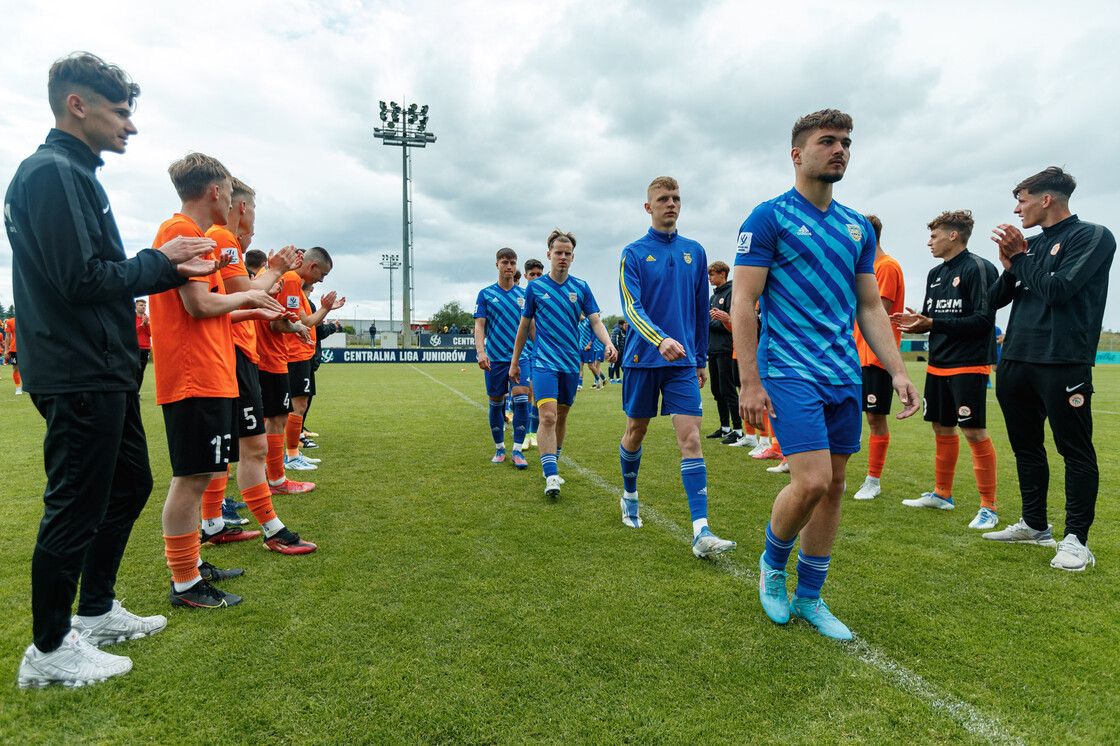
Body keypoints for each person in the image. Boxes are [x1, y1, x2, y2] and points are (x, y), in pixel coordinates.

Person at [6, 52, 223, 687]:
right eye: (120, 111)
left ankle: (95, 612)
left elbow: (89, 272)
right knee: (75, 502)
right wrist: (163, 262)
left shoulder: (73, 172)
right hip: (77, 370)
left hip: (102, 367)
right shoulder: (51, 172)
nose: (130, 125)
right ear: (78, 104)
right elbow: (81, 280)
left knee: (127, 485)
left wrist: (154, 262)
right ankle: (48, 651)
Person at [733, 109, 920, 640]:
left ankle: (811, 596)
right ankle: (772, 567)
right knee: (811, 480)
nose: (839, 149)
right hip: (788, 369)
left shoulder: (856, 226)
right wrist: (750, 380)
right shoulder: (768, 218)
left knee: (835, 486)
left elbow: (870, 308)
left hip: (843, 374)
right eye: (827, 141)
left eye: (846, 142)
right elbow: (744, 301)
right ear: (797, 154)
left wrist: (899, 371)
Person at [150, 152, 287, 610]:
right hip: (194, 373)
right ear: (216, 191)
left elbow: (212, 305)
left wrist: (251, 309)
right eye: (229, 190)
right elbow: (199, 307)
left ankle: (191, 569)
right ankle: (185, 584)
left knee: (203, 472)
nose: (233, 199)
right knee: (190, 478)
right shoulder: (181, 232)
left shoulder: (186, 233)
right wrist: (252, 299)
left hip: (207, 371)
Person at [986, 167, 1117, 571]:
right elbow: (993, 301)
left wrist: (1022, 258)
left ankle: (1076, 540)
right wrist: (1011, 264)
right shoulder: (1031, 246)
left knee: (1074, 450)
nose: (1016, 208)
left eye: (1022, 199)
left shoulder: (1093, 235)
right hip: (1016, 360)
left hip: (1063, 360)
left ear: (1046, 199)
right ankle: (1035, 525)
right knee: (1026, 447)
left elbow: (1059, 291)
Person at [618, 176, 736, 558]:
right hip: (642, 358)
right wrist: (659, 338)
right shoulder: (633, 253)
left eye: (676, 198)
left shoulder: (695, 252)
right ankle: (630, 494)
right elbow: (631, 306)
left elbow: (702, 309)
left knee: (691, 439)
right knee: (636, 432)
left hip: (682, 362)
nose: (671, 204)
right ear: (648, 207)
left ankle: (701, 531)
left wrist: (699, 357)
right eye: (663, 199)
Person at [201, 177, 318, 554]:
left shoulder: (220, 240)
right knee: (242, 448)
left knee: (233, 448)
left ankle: (215, 523)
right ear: (240, 207)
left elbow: (235, 302)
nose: (253, 215)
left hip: (240, 353)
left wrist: (263, 305)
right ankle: (268, 528)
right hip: (235, 355)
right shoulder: (222, 238)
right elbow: (237, 297)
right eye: (252, 206)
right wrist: (272, 272)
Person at [892, 210, 1000, 529]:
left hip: (968, 363)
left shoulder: (979, 267)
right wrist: (917, 324)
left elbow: (983, 320)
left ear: (953, 236)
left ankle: (988, 507)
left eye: (934, 236)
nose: (929, 242)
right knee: (941, 427)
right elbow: (931, 316)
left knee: (973, 431)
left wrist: (933, 322)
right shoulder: (934, 274)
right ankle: (942, 494)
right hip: (938, 364)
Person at [510, 231, 616, 496]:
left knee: (562, 416)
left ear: (572, 257)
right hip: (544, 362)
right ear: (549, 255)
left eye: (567, 253)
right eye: (558, 252)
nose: (563, 257)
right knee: (548, 415)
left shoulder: (580, 287)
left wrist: (608, 343)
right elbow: (524, 327)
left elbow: (595, 321)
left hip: (570, 364)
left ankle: (552, 462)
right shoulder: (536, 288)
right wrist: (515, 363)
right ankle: (551, 476)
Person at [850, 215, 906, 500]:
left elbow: (876, 312)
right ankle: (839, 476)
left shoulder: (885, 267)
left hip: (876, 357)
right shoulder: (866, 268)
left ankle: (873, 479)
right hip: (855, 355)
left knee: (875, 420)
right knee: (845, 416)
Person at [279, 248, 345, 472]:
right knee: (293, 407)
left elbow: (306, 320)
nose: (322, 279)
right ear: (312, 266)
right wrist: (325, 308)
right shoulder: (290, 279)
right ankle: (289, 456)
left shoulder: (295, 285)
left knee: (300, 405)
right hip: (293, 354)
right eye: (322, 274)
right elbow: (301, 323)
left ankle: (292, 453)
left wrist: (325, 309)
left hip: (301, 354)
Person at [474, 248, 532, 469]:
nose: (509, 266)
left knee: (521, 399)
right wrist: (481, 352)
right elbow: (479, 325)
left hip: (520, 358)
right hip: (495, 359)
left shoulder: (524, 295)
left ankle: (518, 450)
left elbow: (532, 327)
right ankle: (500, 448)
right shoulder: (486, 294)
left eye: (513, 263)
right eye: (505, 262)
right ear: (497, 265)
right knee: (496, 403)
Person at [706, 261, 746, 445]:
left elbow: (731, 322)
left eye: (712, 275)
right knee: (716, 391)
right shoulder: (713, 297)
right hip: (713, 349)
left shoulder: (731, 293)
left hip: (726, 348)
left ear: (723, 274)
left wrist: (709, 323)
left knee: (728, 390)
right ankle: (725, 427)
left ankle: (738, 430)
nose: (709, 278)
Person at [522, 258, 546, 448]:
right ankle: (523, 432)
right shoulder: (521, 297)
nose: (536, 278)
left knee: (536, 394)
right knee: (525, 395)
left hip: (540, 353)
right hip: (523, 353)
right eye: (532, 275)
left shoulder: (546, 295)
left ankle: (533, 432)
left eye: (539, 275)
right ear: (525, 276)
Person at [134, 300, 151, 392]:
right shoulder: (132, 318)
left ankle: (137, 393)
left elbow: (151, 333)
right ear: (136, 307)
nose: (143, 306)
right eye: (141, 305)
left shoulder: (147, 318)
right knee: (137, 370)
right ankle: (133, 391)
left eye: (144, 305)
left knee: (141, 372)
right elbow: (132, 333)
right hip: (135, 348)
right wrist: (141, 325)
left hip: (146, 349)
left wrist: (147, 324)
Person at [3, 313, 20, 394]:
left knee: (28, 368)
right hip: (15, 349)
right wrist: (6, 350)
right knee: (15, 367)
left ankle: (28, 387)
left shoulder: (28, 320)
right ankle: (18, 388)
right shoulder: (9, 322)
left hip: (27, 349)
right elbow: (7, 337)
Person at [608, 319, 627, 383]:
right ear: (622, 324)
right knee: (613, 364)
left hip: (620, 350)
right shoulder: (617, 329)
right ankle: (611, 379)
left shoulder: (619, 330)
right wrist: (617, 349)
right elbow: (614, 340)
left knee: (617, 365)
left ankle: (618, 378)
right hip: (616, 350)